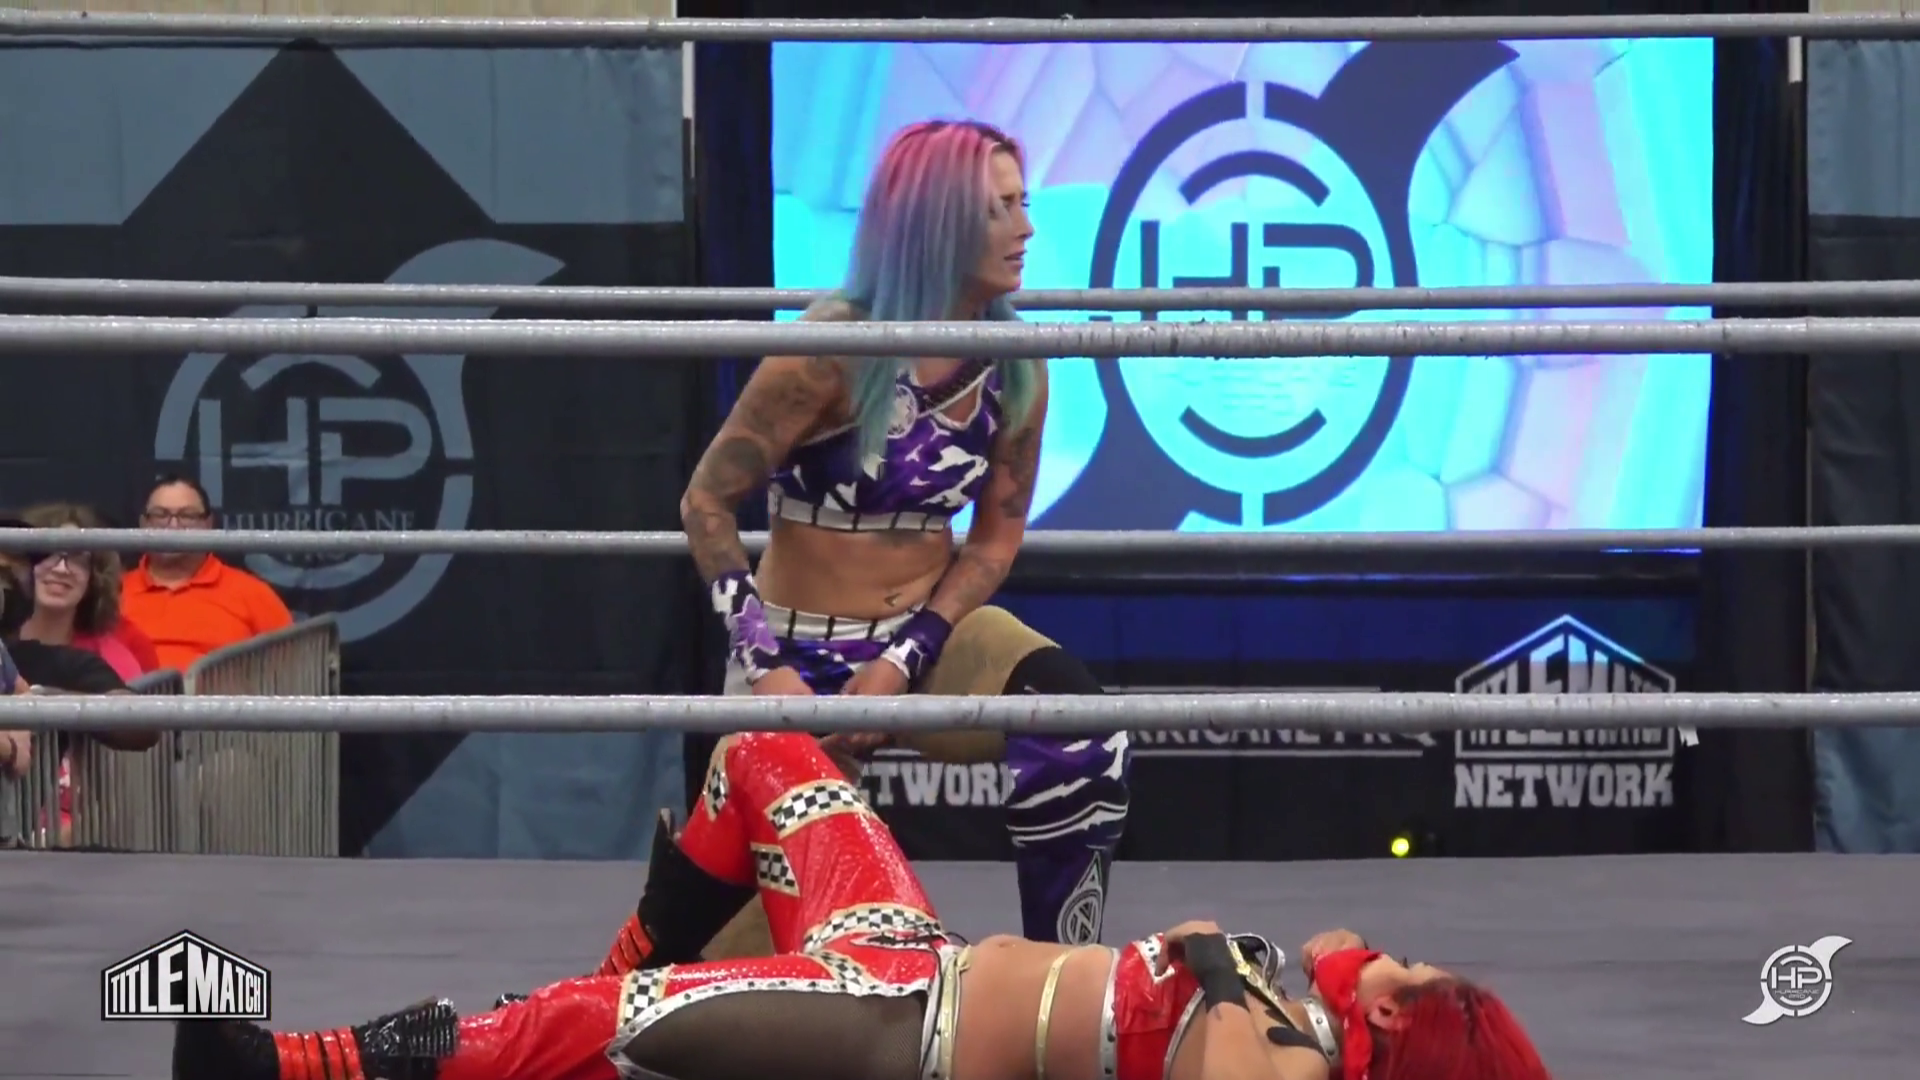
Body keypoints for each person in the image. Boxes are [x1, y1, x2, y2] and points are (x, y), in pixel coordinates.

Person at [172, 732, 1551, 1080]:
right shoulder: (1312, 1016)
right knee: (764, 761)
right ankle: (622, 978)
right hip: (907, 952)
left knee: (598, 1023)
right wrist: (1312, 976)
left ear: (1404, 1030)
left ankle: (289, 1067)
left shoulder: (1281, 1062)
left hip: (901, 1030)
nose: (1393, 959)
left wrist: (1237, 978)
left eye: (1411, 976)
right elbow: (1322, 953)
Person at [677, 118, 1129, 950]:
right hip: (793, 658)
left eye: (1024, 203)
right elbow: (707, 500)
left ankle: (1057, 982)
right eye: (999, 209)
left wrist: (904, 657)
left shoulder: (1016, 366)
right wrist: (766, 666)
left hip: (923, 645)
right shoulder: (830, 350)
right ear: (937, 222)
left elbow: (992, 540)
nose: (1026, 228)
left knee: (1079, 727)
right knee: (732, 968)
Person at [120, 475, 293, 671]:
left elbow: (291, 669)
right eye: (160, 515)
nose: (173, 526)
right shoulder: (113, 593)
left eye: (187, 515)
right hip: (129, 690)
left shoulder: (253, 594)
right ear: (144, 523)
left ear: (208, 524)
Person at [18, 502, 162, 679]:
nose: (61, 569)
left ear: (94, 577)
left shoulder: (114, 660)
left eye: (77, 558)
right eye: (47, 554)